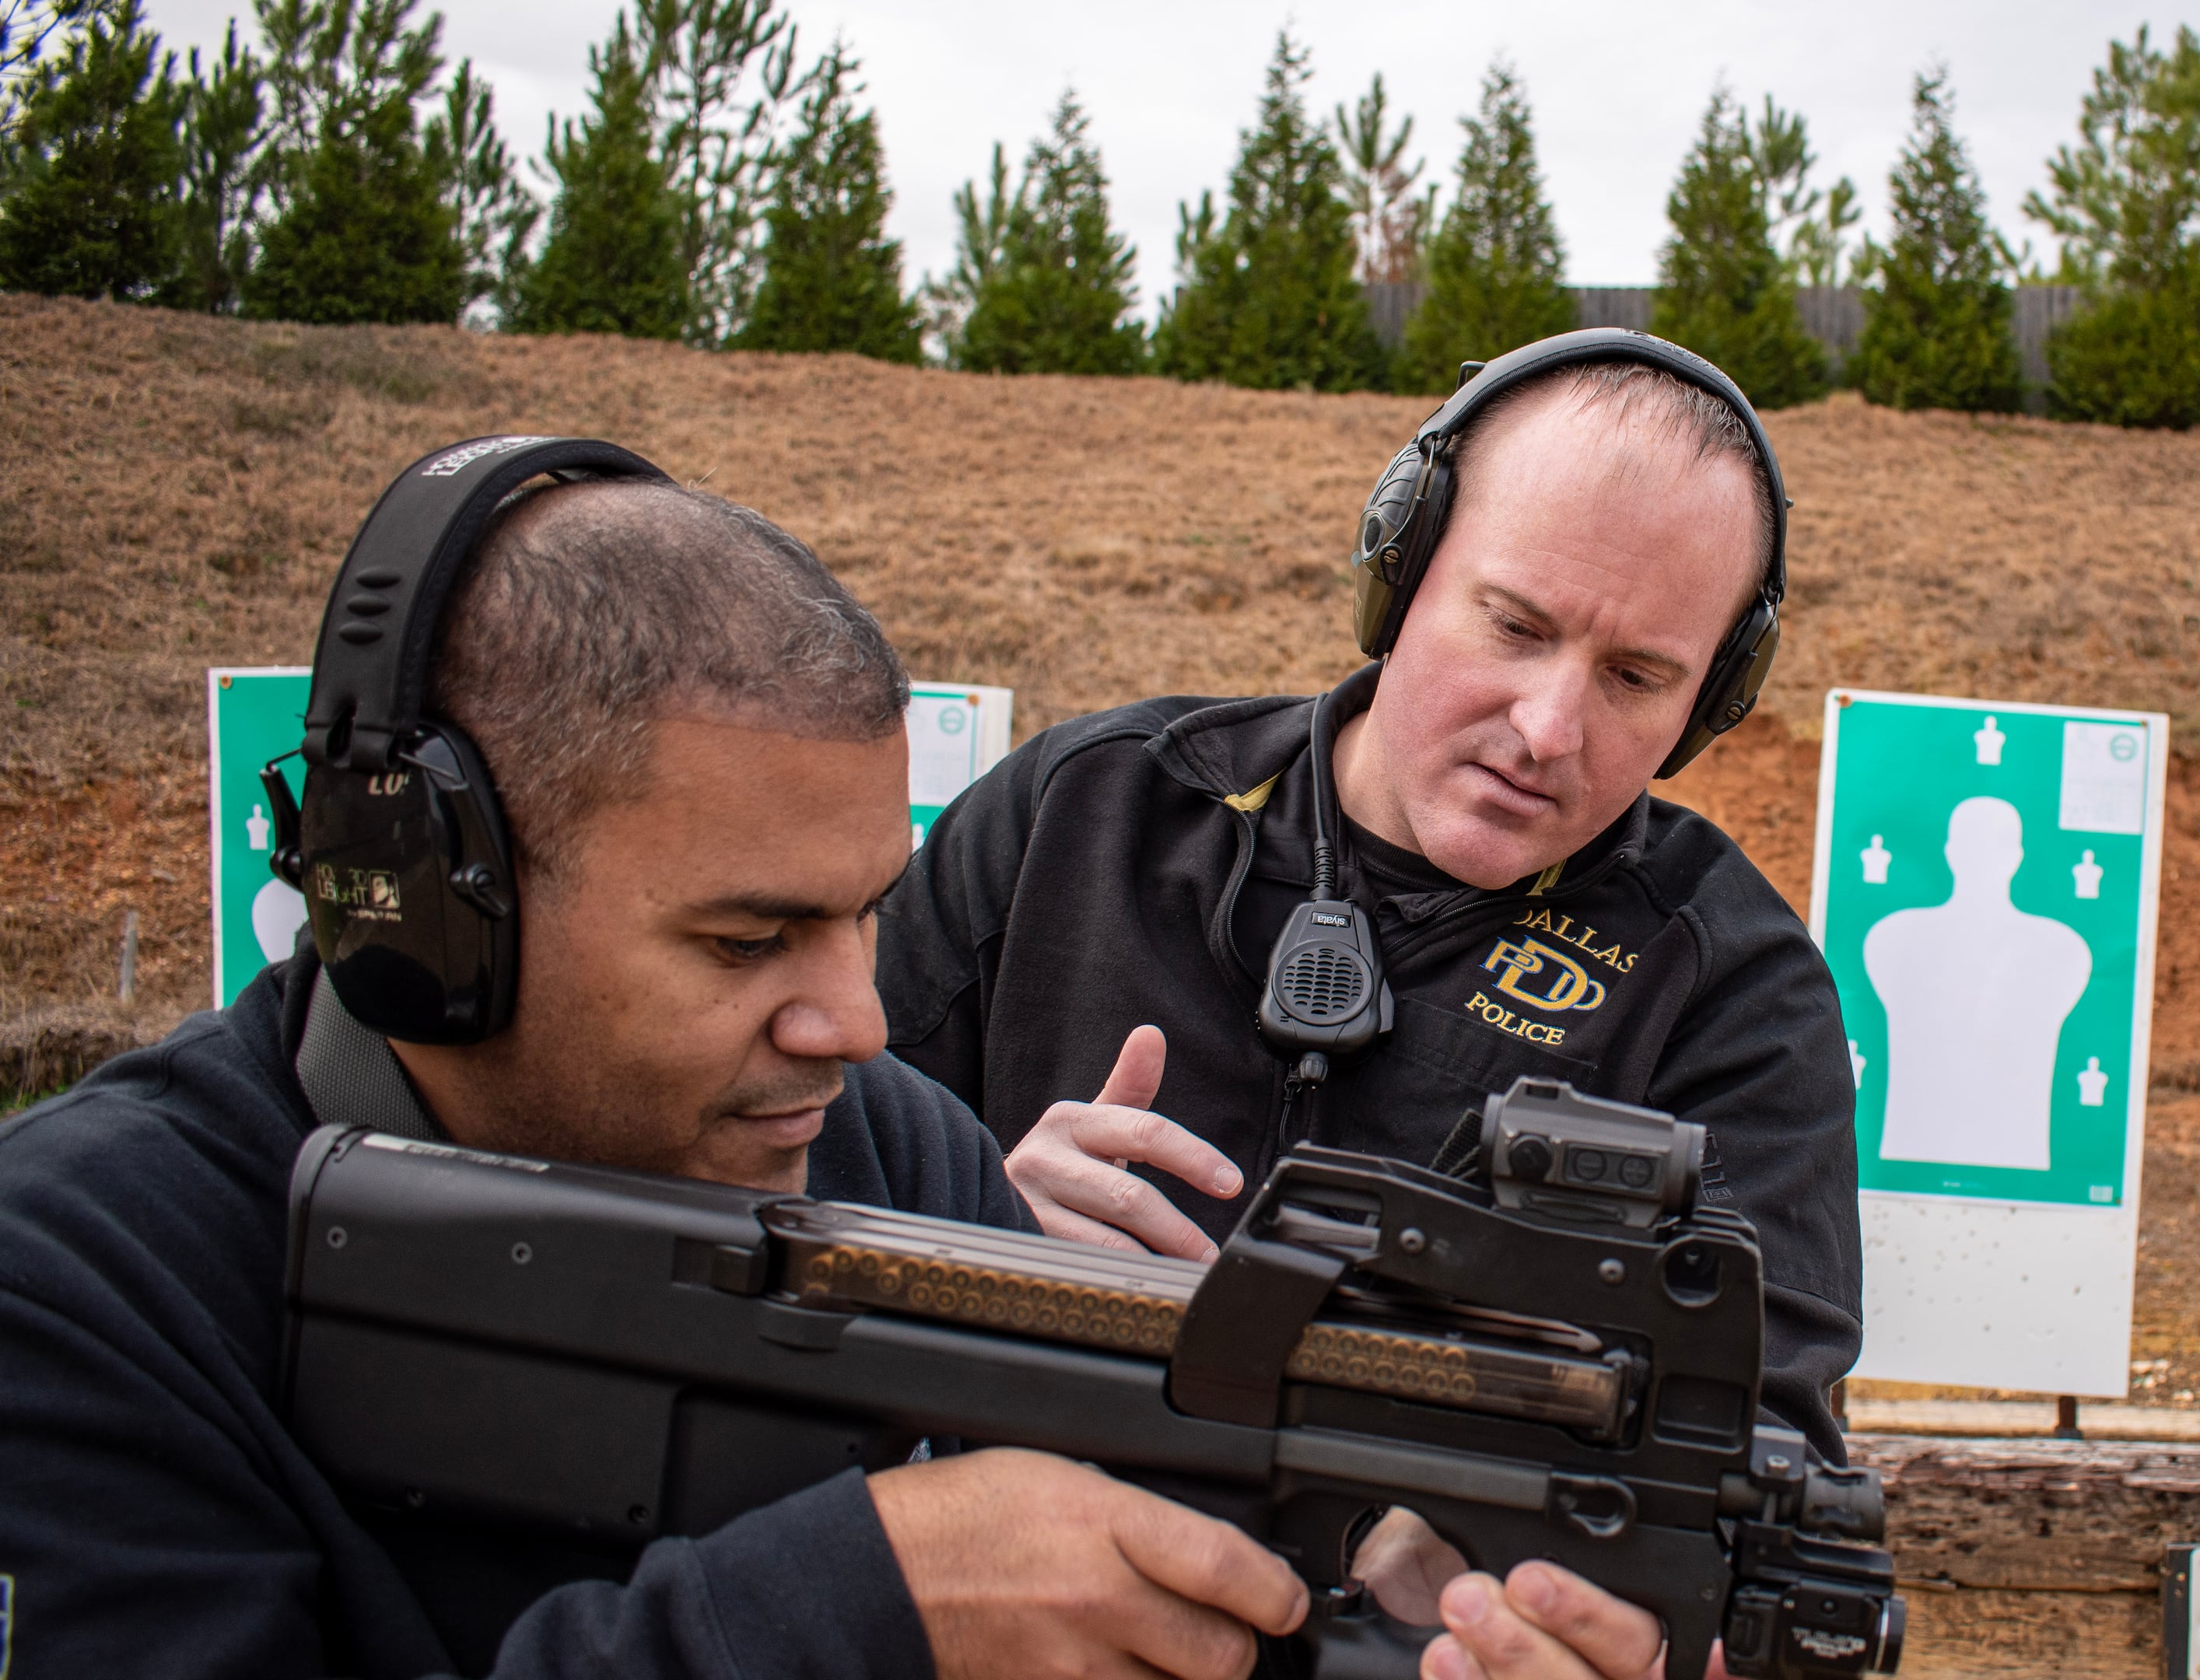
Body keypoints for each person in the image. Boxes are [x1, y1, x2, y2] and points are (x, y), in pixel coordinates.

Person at [0, 456, 1659, 1680]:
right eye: (745, 943)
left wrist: (1400, 1597)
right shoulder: (79, 1285)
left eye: (868, 917)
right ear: (425, 910)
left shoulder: (891, 1159)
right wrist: (849, 1614)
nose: (854, 1024)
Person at [877, 332, 1863, 1461]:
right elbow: (781, 1188)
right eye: (1514, 626)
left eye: (1637, 678)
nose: (1547, 731)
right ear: (1398, 573)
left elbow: (1762, 1431)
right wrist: (977, 1239)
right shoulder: (1079, 814)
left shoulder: (1729, 987)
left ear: (1711, 701)